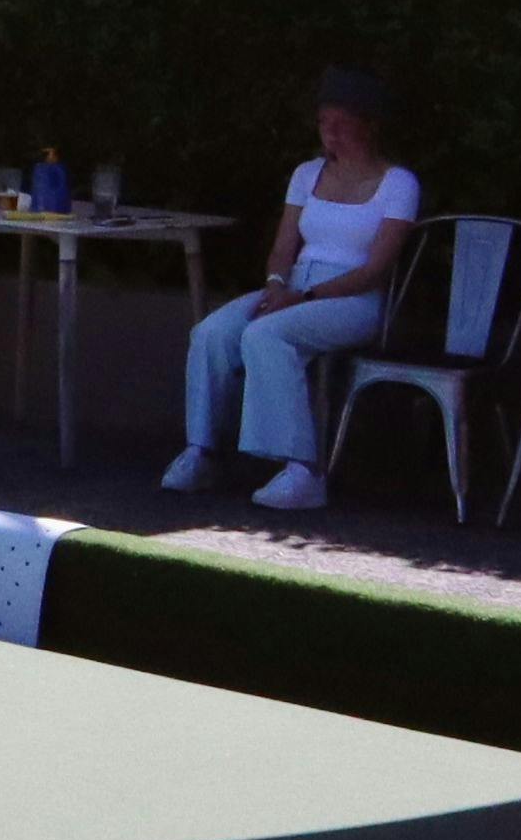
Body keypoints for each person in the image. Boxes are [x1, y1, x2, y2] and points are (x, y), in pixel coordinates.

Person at [170, 69, 420, 510]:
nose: (332, 133)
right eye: (325, 122)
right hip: (295, 286)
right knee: (212, 331)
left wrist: (300, 300)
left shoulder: (398, 183)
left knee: (267, 334)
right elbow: (283, 247)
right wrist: (275, 285)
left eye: (342, 123)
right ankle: (201, 451)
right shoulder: (307, 174)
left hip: (351, 300)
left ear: (369, 124)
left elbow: (376, 270)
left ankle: (302, 469)